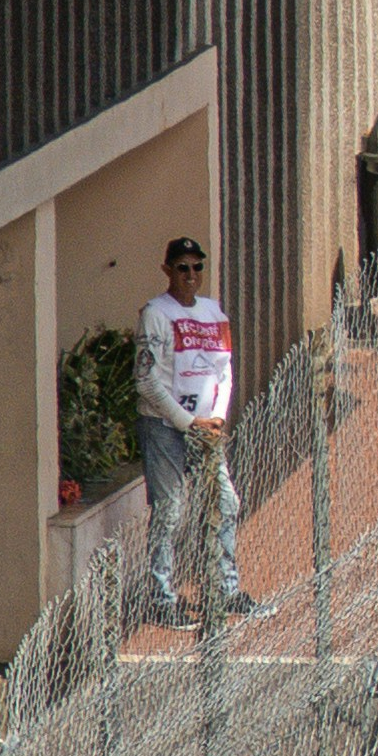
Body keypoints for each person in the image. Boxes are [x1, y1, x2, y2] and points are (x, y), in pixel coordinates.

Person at [135, 232, 247, 623]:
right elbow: (146, 381)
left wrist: (216, 417)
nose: (190, 274)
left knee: (225, 502)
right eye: (182, 268)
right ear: (168, 270)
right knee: (170, 512)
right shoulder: (155, 314)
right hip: (165, 427)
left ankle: (225, 588)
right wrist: (188, 422)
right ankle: (161, 599)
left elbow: (224, 371)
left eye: (197, 267)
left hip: (206, 428)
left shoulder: (214, 313)